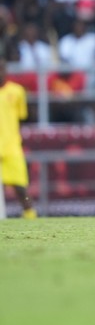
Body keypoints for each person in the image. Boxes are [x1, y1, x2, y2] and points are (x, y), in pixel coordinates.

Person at [0, 59, 37, 219]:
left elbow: (21, 119)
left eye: (2, 69)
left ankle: (30, 218)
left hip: (11, 147)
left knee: (21, 188)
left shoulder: (16, 91)